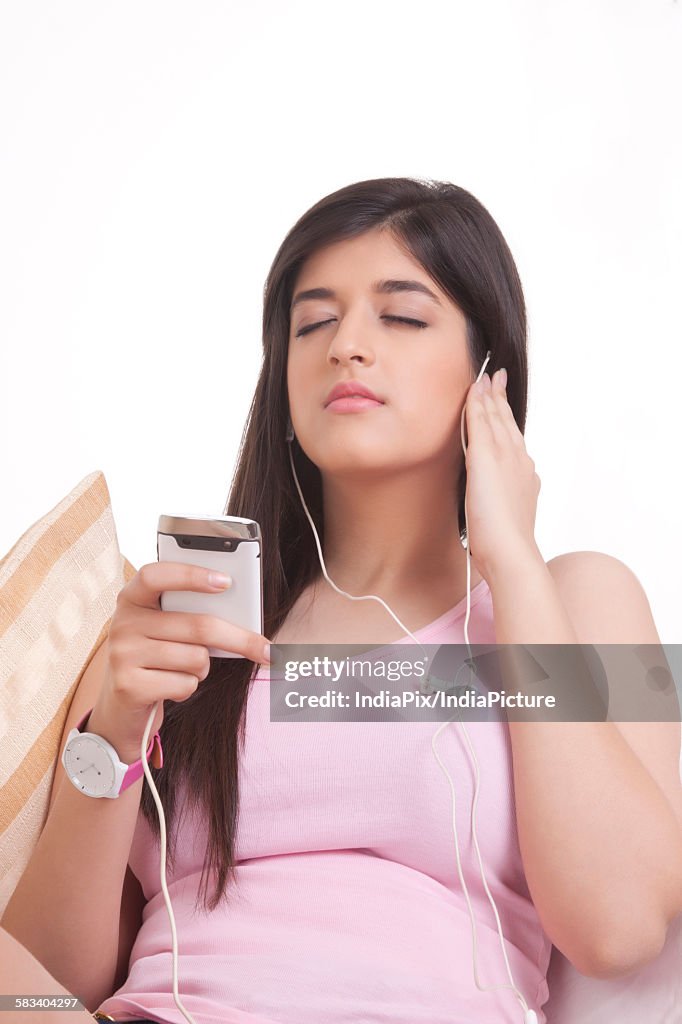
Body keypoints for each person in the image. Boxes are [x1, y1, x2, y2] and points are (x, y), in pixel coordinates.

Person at [2, 177, 681, 1024]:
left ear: (488, 375)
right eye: (314, 323)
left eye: (400, 316)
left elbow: (620, 931)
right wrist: (114, 733)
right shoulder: (183, 625)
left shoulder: (574, 597)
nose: (346, 346)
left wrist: (511, 559)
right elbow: (45, 986)